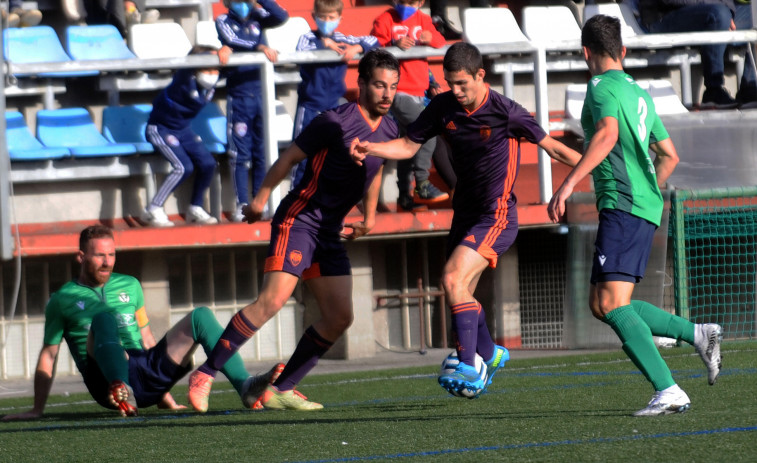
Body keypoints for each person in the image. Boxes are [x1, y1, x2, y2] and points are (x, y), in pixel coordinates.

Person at [350, 42, 583, 398]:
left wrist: (586, 174)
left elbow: (555, 148)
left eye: (462, 84)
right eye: (449, 83)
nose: (455, 91)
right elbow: (409, 146)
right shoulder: (444, 106)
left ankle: (470, 366)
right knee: (459, 290)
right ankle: (491, 353)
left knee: (452, 278)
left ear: (480, 76)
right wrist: (371, 147)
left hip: (497, 215)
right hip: (466, 214)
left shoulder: (507, 112)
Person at [185, 49, 401, 412]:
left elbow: (376, 167)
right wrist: (259, 200)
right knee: (272, 301)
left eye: (393, 87)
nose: (387, 94)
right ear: (361, 83)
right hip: (300, 220)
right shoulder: (333, 122)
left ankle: (280, 388)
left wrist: (370, 215)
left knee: (339, 318)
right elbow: (288, 159)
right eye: (380, 85)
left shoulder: (391, 128)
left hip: (330, 231)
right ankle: (205, 373)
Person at [547, 14, 724, 416]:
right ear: (623, 51)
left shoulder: (598, 85)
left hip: (624, 203)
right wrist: (646, 193)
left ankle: (669, 389)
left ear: (585, 53)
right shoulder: (640, 94)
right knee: (602, 303)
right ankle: (698, 333)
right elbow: (670, 155)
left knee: (611, 303)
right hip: (640, 203)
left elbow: (607, 134)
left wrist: (569, 184)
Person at [1, 225, 280, 420]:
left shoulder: (131, 285)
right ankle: (123, 388)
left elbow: (147, 340)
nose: (107, 261)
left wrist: (166, 399)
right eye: (99, 255)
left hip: (145, 372)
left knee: (201, 316)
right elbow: (48, 355)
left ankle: (245, 386)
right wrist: (37, 409)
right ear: (81, 257)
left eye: (111, 254)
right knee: (103, 318)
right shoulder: (61, 299)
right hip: (105, 383)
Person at [289, 0, 380, 187]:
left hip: (333, 108)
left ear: (339, 18)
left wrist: (358, 48)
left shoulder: (343, 38)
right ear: (314, 17)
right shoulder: (308, 38)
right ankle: (295, 197)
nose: (326, 20)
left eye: (331, 17)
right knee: (301, 155)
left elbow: (373, 40)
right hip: (310, 107)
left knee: (333, 155)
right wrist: (325, 46)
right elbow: (300, 50)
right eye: (322, 17)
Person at [371, 0, 450, 212]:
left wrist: (430, 37)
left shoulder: (423, 19)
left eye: (411, 2)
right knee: (428, 131)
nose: (405, 5)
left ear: (420, 2)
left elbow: (441, 41)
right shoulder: (385, 19)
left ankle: (404, 196)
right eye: (401, 1)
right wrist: (393, 46)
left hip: (419, 90)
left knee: (408, 143)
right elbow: (373, 48)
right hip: (396, 90)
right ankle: (422, 184)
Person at [216, 0, 289, 222]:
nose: (243, 4)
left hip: (263, 95)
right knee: (241, 155)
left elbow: (281, 16)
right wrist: (260, 47)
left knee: (262, 153)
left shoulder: (258, 16)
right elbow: (233, 40)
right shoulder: (223, 20)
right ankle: (242, 205)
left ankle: (260, 204)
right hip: (240, 97)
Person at [141, 47, 221, 227]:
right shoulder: (183, 80)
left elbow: (229, 64)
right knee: (183, 167)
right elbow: (187, 66)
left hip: (183, 130)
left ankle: (195, 207)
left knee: (208, 163)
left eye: (215, 70)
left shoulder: (208, 86)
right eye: (207, 69)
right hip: (161, 129)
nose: (212, 74)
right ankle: (153, 209)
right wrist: (206, 56)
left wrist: (225, 52)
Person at [639, 0, 757, 109]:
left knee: (750, 13)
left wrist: (729, 10)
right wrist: (721, 9)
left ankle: (750, 87)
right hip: (663, 15)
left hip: (708, 8)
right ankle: (713, 90)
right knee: (719, 14)